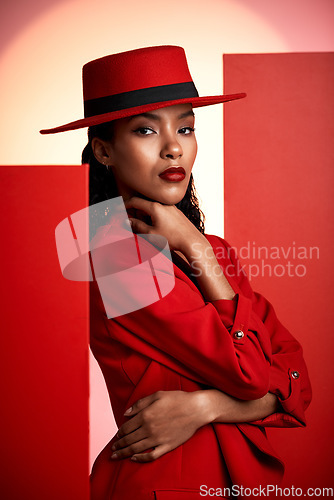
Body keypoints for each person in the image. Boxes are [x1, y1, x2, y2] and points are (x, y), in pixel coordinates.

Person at [40, 45, 312, 500]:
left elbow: (299, 382)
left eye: (185, 127)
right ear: (104, 149)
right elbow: (252, 376)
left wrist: (204, 406)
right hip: (164, 484)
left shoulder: (213, 251)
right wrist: (247, 398)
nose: (173, 147)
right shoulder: (112, 258)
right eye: (146, 130)